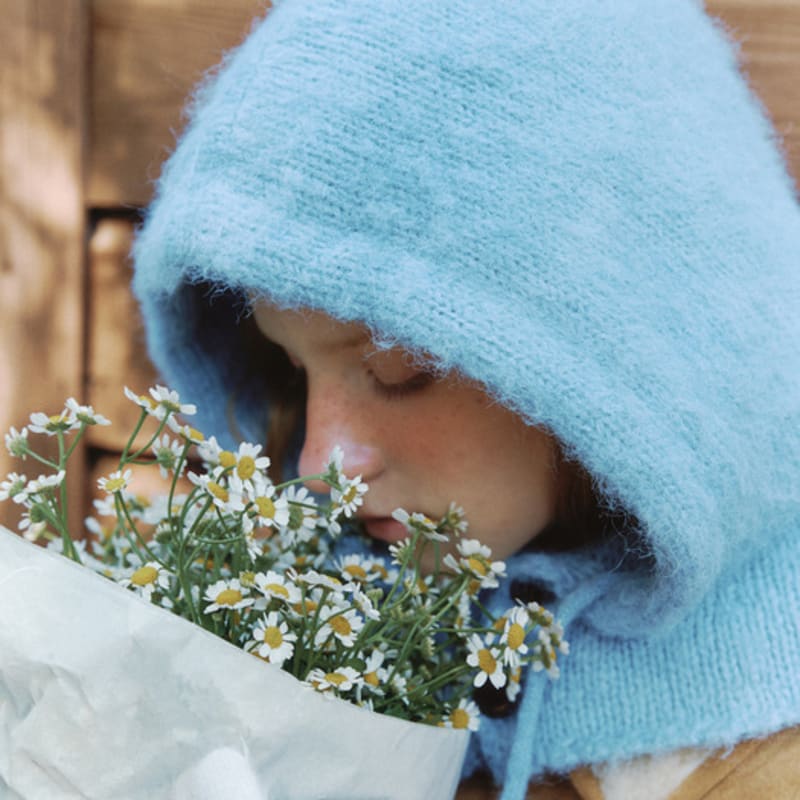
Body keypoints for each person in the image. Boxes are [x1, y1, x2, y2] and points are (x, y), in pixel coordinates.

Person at [131, 1, 800, 797]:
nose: (318, 468)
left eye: (398, 370)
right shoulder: (291, 625)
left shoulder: (754, 758)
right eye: (291, 369)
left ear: (621, 351)